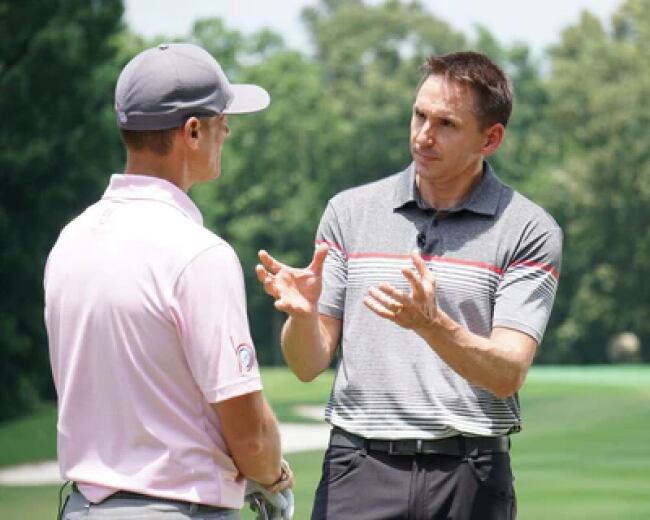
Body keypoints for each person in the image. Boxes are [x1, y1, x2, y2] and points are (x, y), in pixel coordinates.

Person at [257, 51, 563, 519]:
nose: (424, 135)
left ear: (491, 138)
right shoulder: (348, 212)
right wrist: (302, 319)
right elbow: (307, 363)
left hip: (471, 474)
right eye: (419, 115)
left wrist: (433, 325)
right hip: (357, 468)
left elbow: (508, 374)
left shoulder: (528, 229)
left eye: (446, 124)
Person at [45, 43, 292, 519]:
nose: (229, 130)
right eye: (222, 120)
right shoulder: (199, 254)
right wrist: (273, 474)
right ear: (193, 132)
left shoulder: (69, 241)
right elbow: (250, 436)